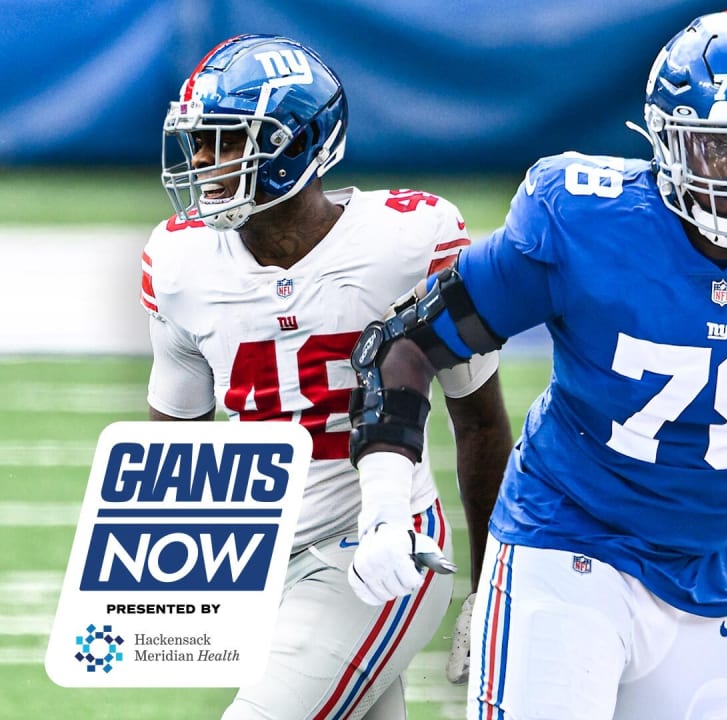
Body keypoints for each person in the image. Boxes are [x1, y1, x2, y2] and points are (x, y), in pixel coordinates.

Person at [346, 11, 727, 718]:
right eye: (712, 149)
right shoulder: (583, 221)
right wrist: (386, 507)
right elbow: (409, 344)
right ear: (664, 141)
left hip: (719, 573)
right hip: (566, 538)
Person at [142, 34, 513, 719]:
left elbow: (479, 420)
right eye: (198, 140)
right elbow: (177, 447)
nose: (200, 160)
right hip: (264, 562)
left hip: (378, 549)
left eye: (224, 140)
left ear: (296, 145)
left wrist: (488, 592)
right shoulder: (178, 263)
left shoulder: (409, 243)